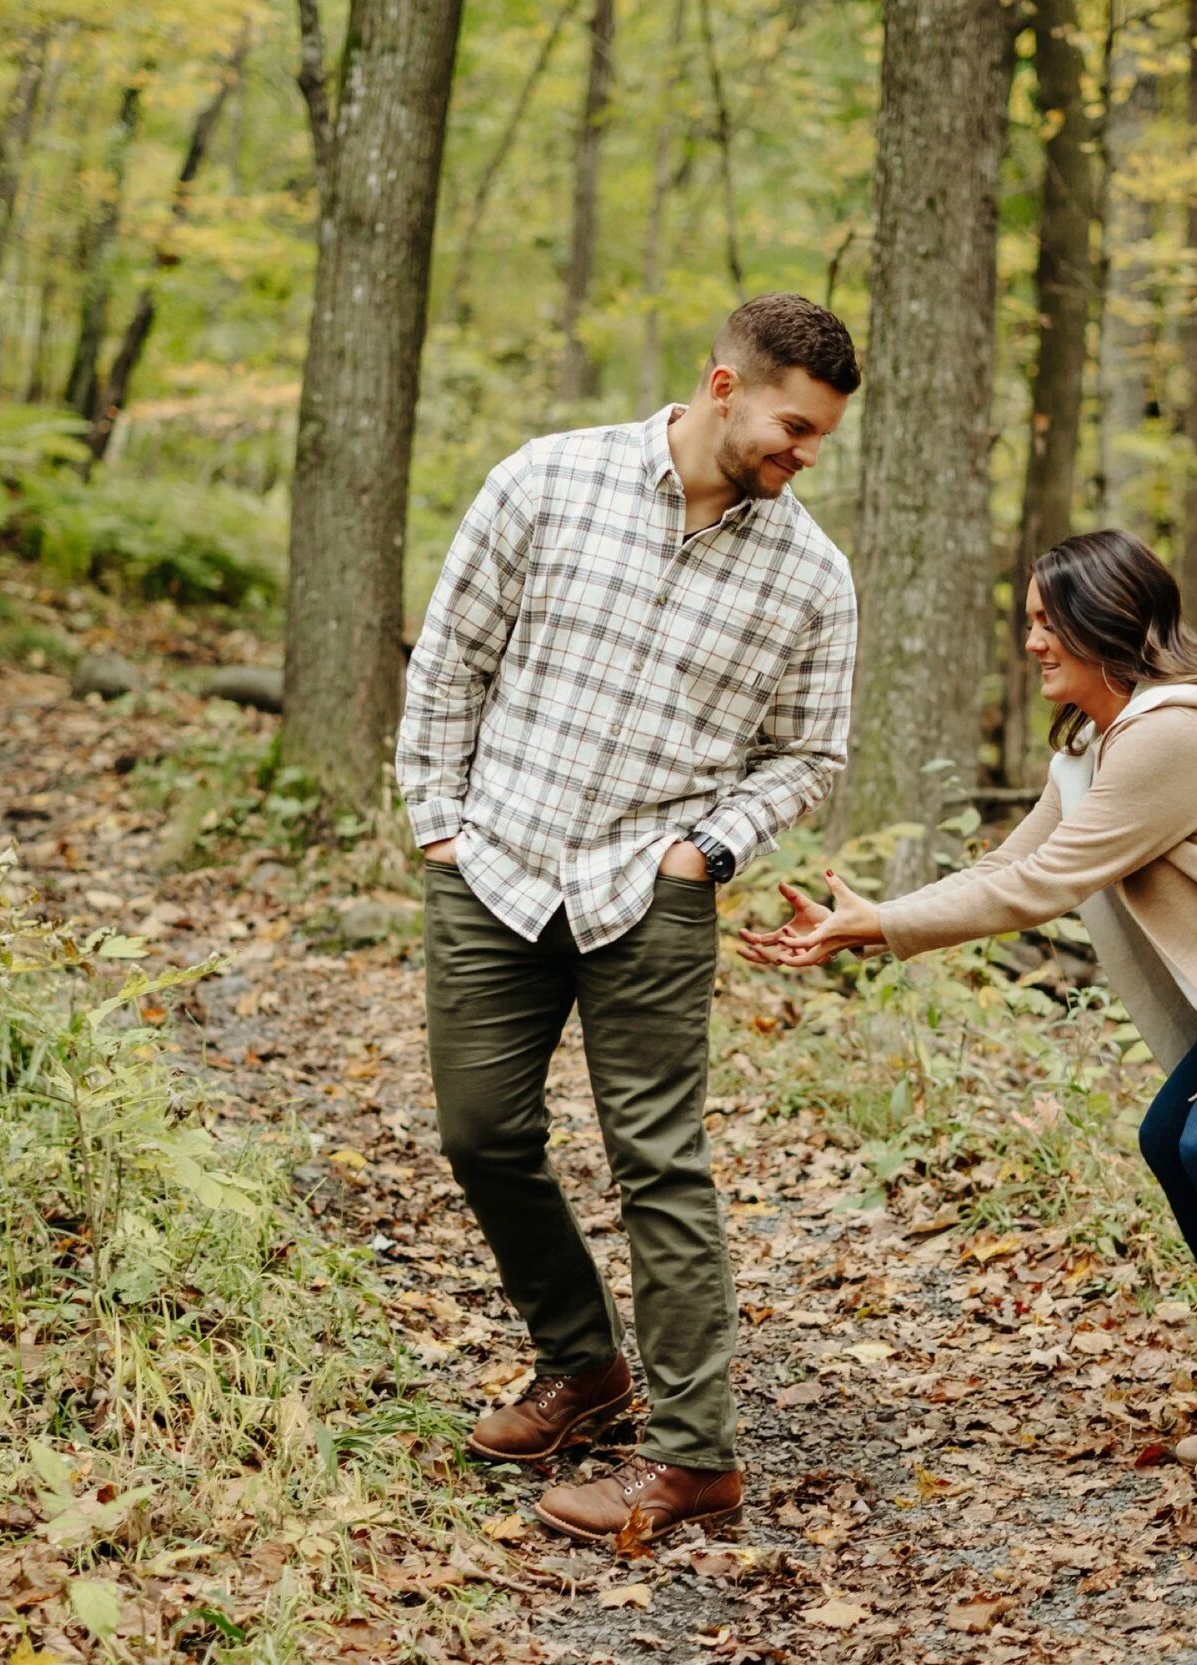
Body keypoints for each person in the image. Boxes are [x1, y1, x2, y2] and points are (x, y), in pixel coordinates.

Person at [741, 528, 1197, 1490]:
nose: (1033, 642)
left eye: (1049, 622)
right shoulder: (1109, 744)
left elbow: (1043, 885)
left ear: (1105, 622)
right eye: (1030, 622)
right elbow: (1012, 864)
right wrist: (871, 921)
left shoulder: (1172, 734)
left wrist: (883, 924)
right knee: (1173, 1132)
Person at [395, 294, 861, 1541]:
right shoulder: (546, 481)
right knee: (480, 1134)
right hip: (494, 865)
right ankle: (582, 1366)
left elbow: (808, 753)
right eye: (791, 425)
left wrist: (704, 851)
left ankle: (692, 1455)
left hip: (647, 895)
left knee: (660, 1165)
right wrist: (438, 822)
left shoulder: (811, 572)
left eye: (819, 438)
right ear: (723, 386)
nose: (802, 453)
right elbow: (450, 659)